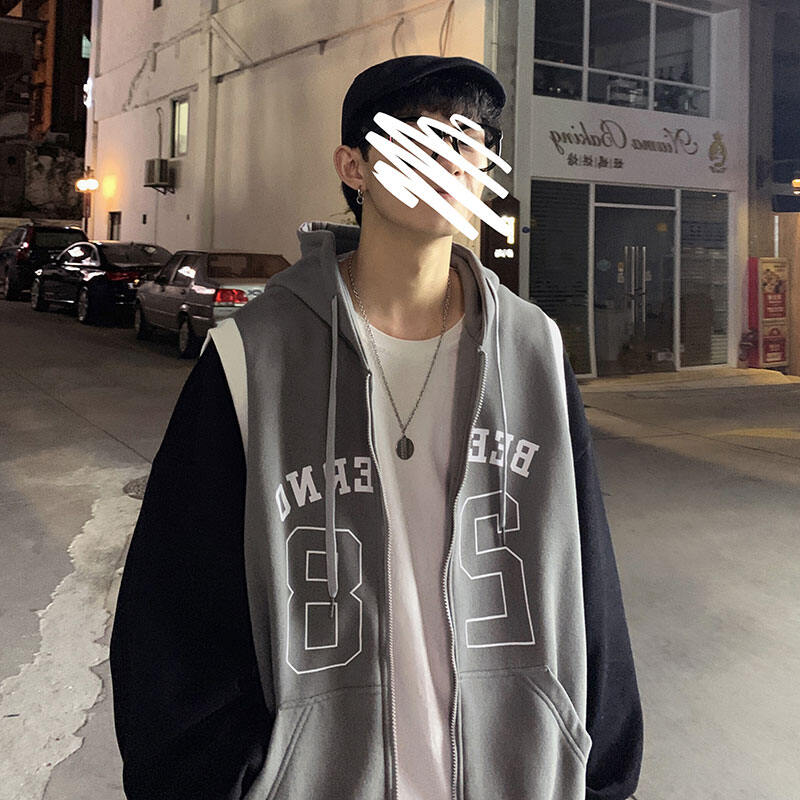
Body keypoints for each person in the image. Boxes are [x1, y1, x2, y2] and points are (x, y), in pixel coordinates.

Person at [110, 55, 643, 800]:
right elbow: (173, 611)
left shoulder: (534, 349)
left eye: (473, 143)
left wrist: (602, 775)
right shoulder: (253, 355)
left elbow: (589, 580)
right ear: (353, 167)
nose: (453, 162)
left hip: (519, 775)